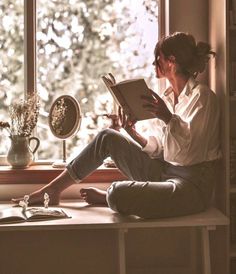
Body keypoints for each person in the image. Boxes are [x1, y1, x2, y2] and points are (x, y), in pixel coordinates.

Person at [13, 32, 221, 219]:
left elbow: (191, 152)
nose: (154, 64)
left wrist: (168, 118)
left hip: (191, 186)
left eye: (157, 59)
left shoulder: (202, 97)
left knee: (119, 193)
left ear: (171, 62)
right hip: (164, 172)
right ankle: (53, 189)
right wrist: (132, 133)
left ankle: (108, 197)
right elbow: (160, 150)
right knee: (107, 136)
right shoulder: (166, 99)